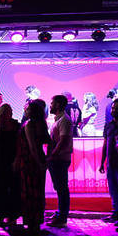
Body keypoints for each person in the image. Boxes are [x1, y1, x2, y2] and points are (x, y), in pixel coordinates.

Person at [17, 99, 51, 236]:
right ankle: (36, 222)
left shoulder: (29, 125)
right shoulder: (41, 124)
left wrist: (39, 162)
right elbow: (49, 142)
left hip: (29, 161)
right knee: (38, 192)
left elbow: (31, 147)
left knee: (29, 192)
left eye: (28, 109)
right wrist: (46, 159)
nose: (26, 111)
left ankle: (30, 222)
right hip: (39, 159)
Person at [99, 99, 118, 226]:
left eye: (117, 108)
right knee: (113, 190)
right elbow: (105, 144)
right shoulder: (108, 124)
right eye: (112, 108)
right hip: (110, 163)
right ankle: (115, 213)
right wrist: (102, 162)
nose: (114, 111)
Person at [0, 103, 20, 228]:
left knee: (6, 188)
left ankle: (6, 216)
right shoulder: (12, 126)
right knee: (7, 188)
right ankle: (8, 216)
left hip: (5, 160)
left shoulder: (3, 127)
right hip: (5, 160)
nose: (10, 113)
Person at [46, 95, 73, 228]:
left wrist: (52, 155)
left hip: (60, 159)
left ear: (58, 105)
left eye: (52, 103)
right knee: (60, 187)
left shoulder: (64, 120)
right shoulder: (59, 119)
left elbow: (63, 141)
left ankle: (62, 217)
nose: (50, 106)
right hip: (57, 159)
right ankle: (60, 213)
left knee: (62, 188)